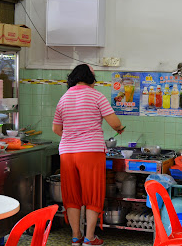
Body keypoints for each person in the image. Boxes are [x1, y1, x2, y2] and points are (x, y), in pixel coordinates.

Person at [53, 64, 125, 246]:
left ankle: (76, 236)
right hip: (91, 152)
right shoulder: (97, 96)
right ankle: (89, 237)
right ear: (91, 79)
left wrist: (74, 136)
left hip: (67, 152)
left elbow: (56, 129)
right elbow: (115, 122)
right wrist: (119, 129)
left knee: (72, 195)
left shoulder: (64, 98)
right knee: (93, 194)